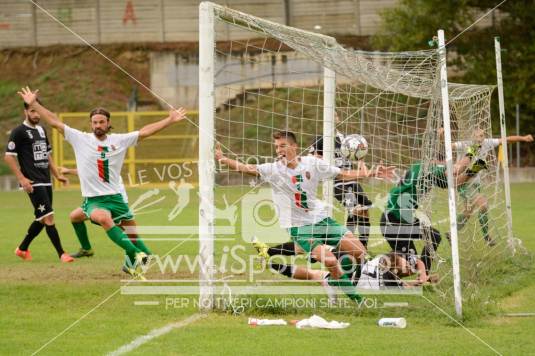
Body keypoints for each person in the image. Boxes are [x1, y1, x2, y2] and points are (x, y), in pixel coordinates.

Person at [18, 86, 187, 278]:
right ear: (90, 124)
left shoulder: (119, 140)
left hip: (116, 197)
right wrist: (34, 104)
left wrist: (170, 120)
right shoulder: (80, 139)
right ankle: (133, 253)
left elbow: (145, 132)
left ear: (108, 123)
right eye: (94, 122)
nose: (98, 125)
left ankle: (135, 260)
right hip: (94, 199)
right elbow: (55, 122)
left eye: (101, 122)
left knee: (132, 233)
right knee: (103, 219)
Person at [216, 130, 395, 302]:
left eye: (283, 146)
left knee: (360, 253)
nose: (279, 150)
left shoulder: (312, 164)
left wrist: (371, 172)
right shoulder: (273, 169)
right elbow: (246, 168)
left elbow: (343, 174)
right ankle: (357, 300)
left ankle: (334, 281)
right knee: (331, 260)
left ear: (294, 146)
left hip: (321, 219)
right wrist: (223, 159)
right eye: (277, 147)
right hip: (298, 227)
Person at [5, 99, 73, 262]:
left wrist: (56, 174)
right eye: (32, 111)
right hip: (33, 181)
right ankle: (62, 254)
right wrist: (22, 179)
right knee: (49, 217)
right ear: (26, 112)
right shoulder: (19, 131)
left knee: (43, 218)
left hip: (46, 180)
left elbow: (47, 154)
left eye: (37, 111)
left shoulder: (42, 130)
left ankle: (22, 249)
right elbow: (8, 157)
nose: (36, 115)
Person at [380, 158, 474, 275]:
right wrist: (471, 153)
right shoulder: (429, 170)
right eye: (444, 160)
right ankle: (376, 272)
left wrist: (473, 170)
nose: (446, 163)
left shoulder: (422, 168)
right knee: (410, 266)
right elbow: (455, 171)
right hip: (394, 221)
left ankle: (424, 276)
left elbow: (455, 182)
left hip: (402, 219)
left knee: (434, 237)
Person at [451, 128, 533, 245]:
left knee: (467, 212)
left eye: (482, 136)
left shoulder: (487, 143)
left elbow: (506, 140)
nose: (480, 138)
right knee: (483, 204)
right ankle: (486, 237)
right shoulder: (465, 144)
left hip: (476, 183)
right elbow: (450, 146)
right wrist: (441, 136)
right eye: (477, 136)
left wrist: (523, 138)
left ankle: (451, 233)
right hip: (464, 183)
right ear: (472, 137)